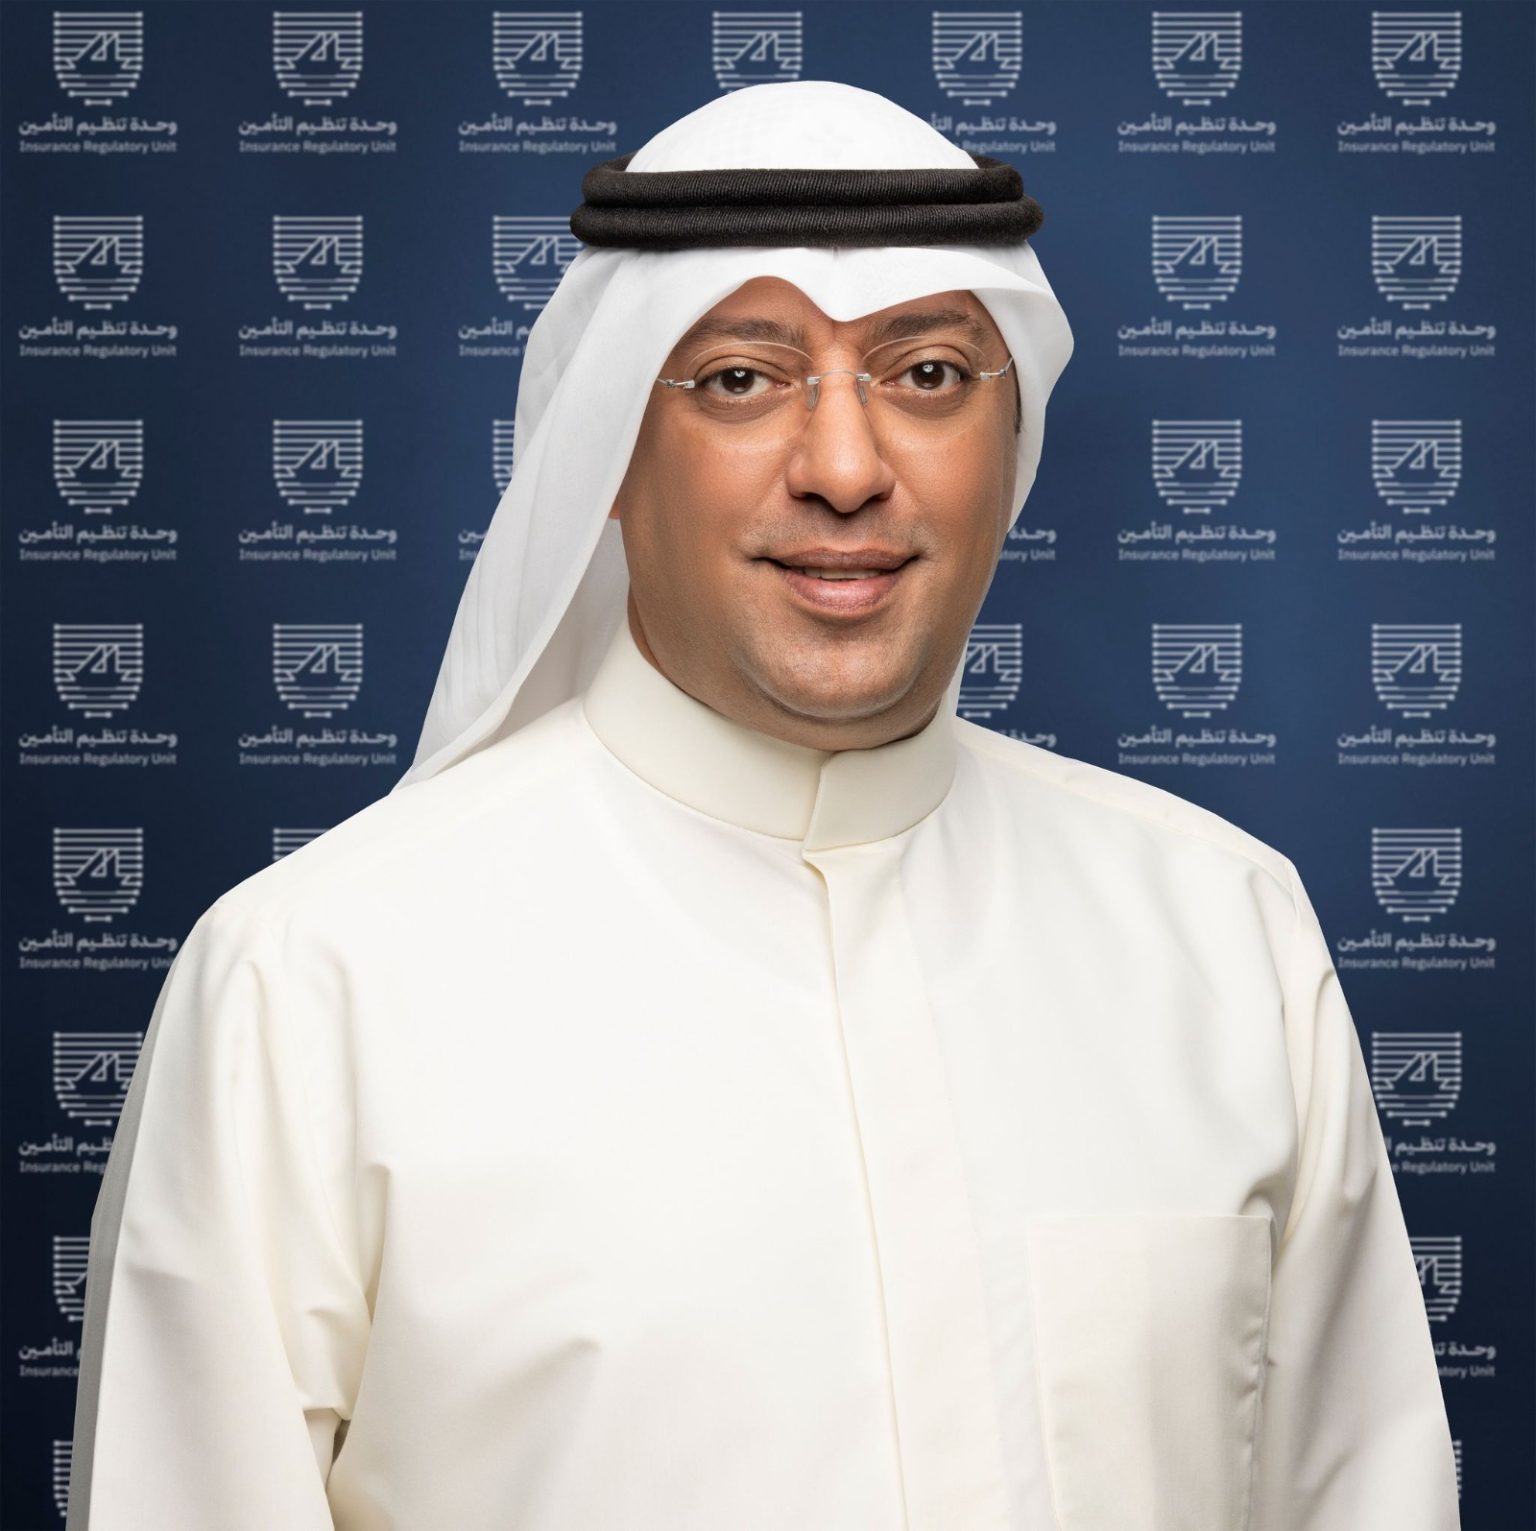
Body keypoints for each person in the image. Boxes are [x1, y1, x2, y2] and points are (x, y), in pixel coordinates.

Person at [67, 82, 1459, 1531]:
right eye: (740, 379)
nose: (845, 471)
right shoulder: (310, 987)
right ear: (609, 451)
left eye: (928, 374)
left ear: (1011, 442)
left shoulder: (1225, 934)